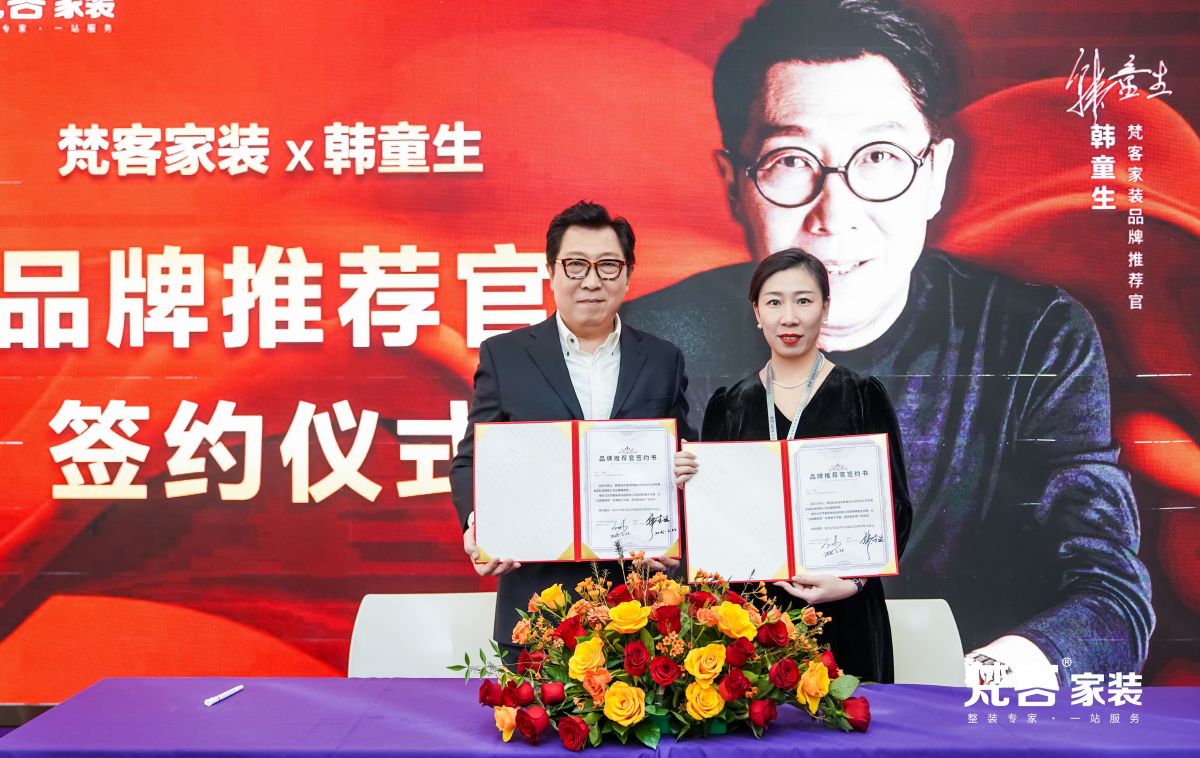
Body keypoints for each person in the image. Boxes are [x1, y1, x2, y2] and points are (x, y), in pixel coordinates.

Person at [622, 0, 1153, 683]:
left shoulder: (1033, 338)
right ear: (735, 185)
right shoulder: (649, 349)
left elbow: (1109, 594)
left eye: (879, 156)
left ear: (935, 175)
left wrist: (955, 695)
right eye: (790, 161)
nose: (835, 214)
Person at [449, 200, 697, 661]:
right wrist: (477, 525)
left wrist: (678, 514)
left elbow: (686, 456)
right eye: (576, 264)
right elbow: (471, 461)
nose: (592, 280)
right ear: (551, 270)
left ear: (628, 274)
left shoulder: (663, 359)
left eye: (608, 265)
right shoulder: (505, 356)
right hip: (537, 608)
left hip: (641, 612)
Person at [674, 249, 912, 683]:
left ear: (825, 308)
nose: (789, 317)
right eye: (774, 302)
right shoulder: (729, 404)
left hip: (844, 610)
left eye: (804, 301)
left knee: (849, 720)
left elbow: (896, 507)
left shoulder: (862, 395)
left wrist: (853, 582)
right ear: (757, 313)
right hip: (750, 616)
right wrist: (690, 483)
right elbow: (714, 519)